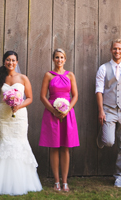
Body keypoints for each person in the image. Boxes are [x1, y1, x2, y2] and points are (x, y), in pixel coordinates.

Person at [0, 51, 43, 195]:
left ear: (17, 62)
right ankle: (0, 182)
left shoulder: (23, 78)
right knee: (4, 143)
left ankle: (21, 181)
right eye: (8, 60)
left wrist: (19, 105)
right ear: (4, 61)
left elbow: (30, 98)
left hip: (20, 117)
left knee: (19, 143)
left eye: (13, 60)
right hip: (4, 117)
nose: (10, 63)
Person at [95, 39, 121, 188]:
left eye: (119, 49)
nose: (117, 51)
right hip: (108, 109)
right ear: (111, 50)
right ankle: (103, 132)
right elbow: (99, 91)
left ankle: (119, 177)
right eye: (114, 49)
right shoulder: (103, 68)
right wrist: (101, 111)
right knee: (109, 141)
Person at [39, 49, 79, 192]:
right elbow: (43, 96)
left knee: (65, 147)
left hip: (67, 114)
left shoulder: (71, 75)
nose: (59, 60)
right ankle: (56, 181)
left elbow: (75, 96)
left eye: (62, 57)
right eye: (57, 57)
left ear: (65, 59)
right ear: (53, 59)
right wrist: (53, 111)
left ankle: (65, 182)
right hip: (52, 113)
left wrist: (67, 110)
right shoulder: (48, 75)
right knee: (54, 146)